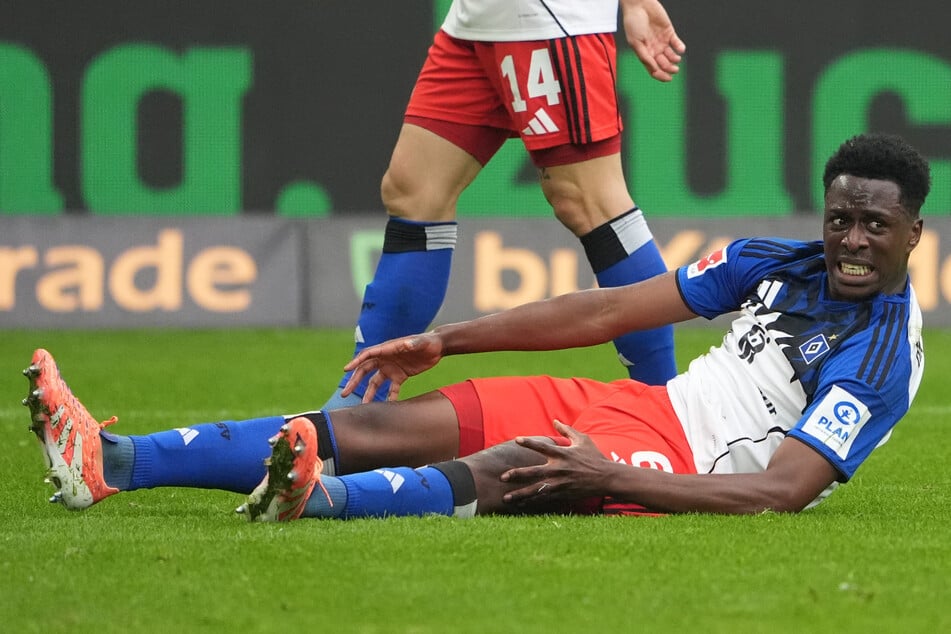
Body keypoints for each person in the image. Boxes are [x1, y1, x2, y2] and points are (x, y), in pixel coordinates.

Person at [24, 133, 928, 520]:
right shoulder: (777, 259)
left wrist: (609, 474)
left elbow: (778, 492)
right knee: (387, 424)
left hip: (686, 462)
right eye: (839, 218)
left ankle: (315, 499)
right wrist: (448, 339)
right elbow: (611, 306)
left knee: (514, 464)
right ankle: (113, 465)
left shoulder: (882, 350)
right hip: (645, 408)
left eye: (873, 226)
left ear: (912, 235)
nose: (850, 241)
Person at [323, 0, 687, 409]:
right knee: (414, 190)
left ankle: (664, 407)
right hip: (477, 19)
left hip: (547, 16)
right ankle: (359, 403)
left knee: (591, 201)